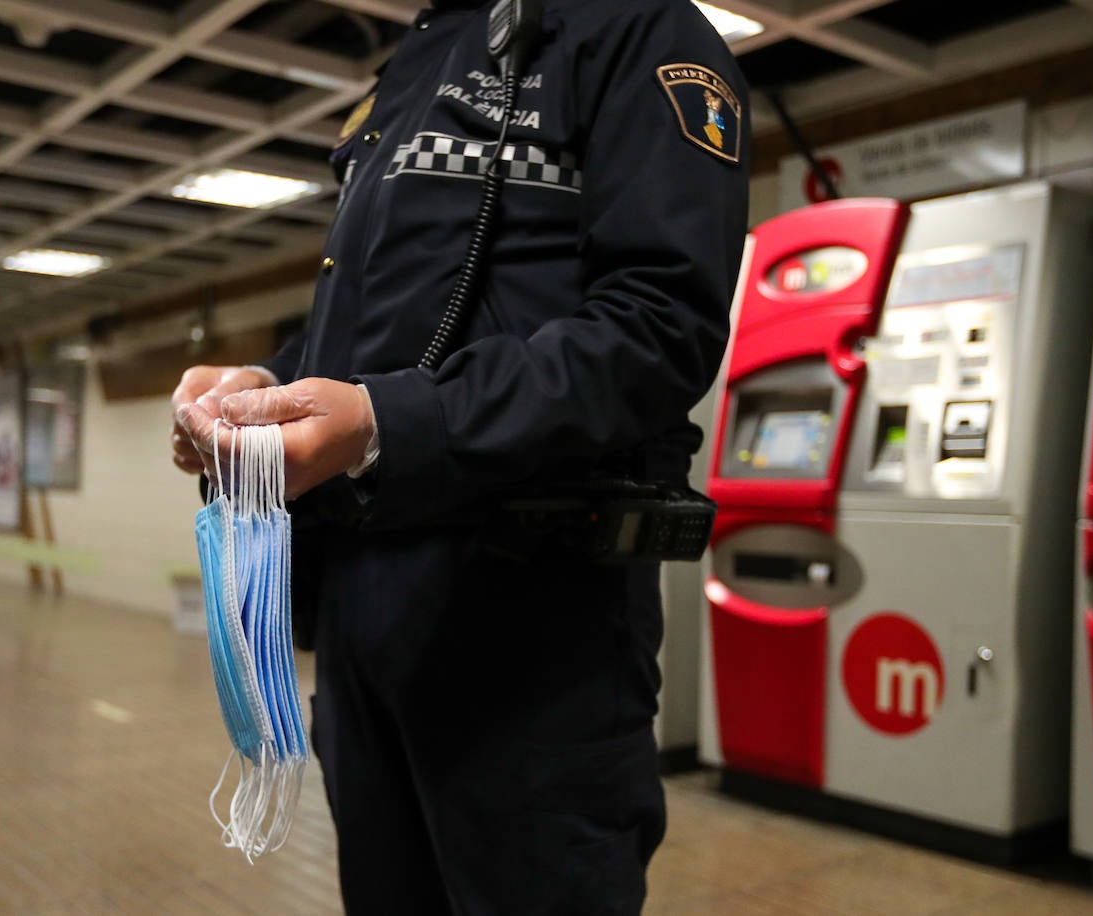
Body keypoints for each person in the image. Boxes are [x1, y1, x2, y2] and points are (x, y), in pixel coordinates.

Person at [172, 0, 749, 912]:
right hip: (367, 613)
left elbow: (658, 327)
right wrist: (261, 382)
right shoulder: (415, 60)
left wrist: (384, 425)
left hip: (526, 626)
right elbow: (376, 341)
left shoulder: (635, 29)